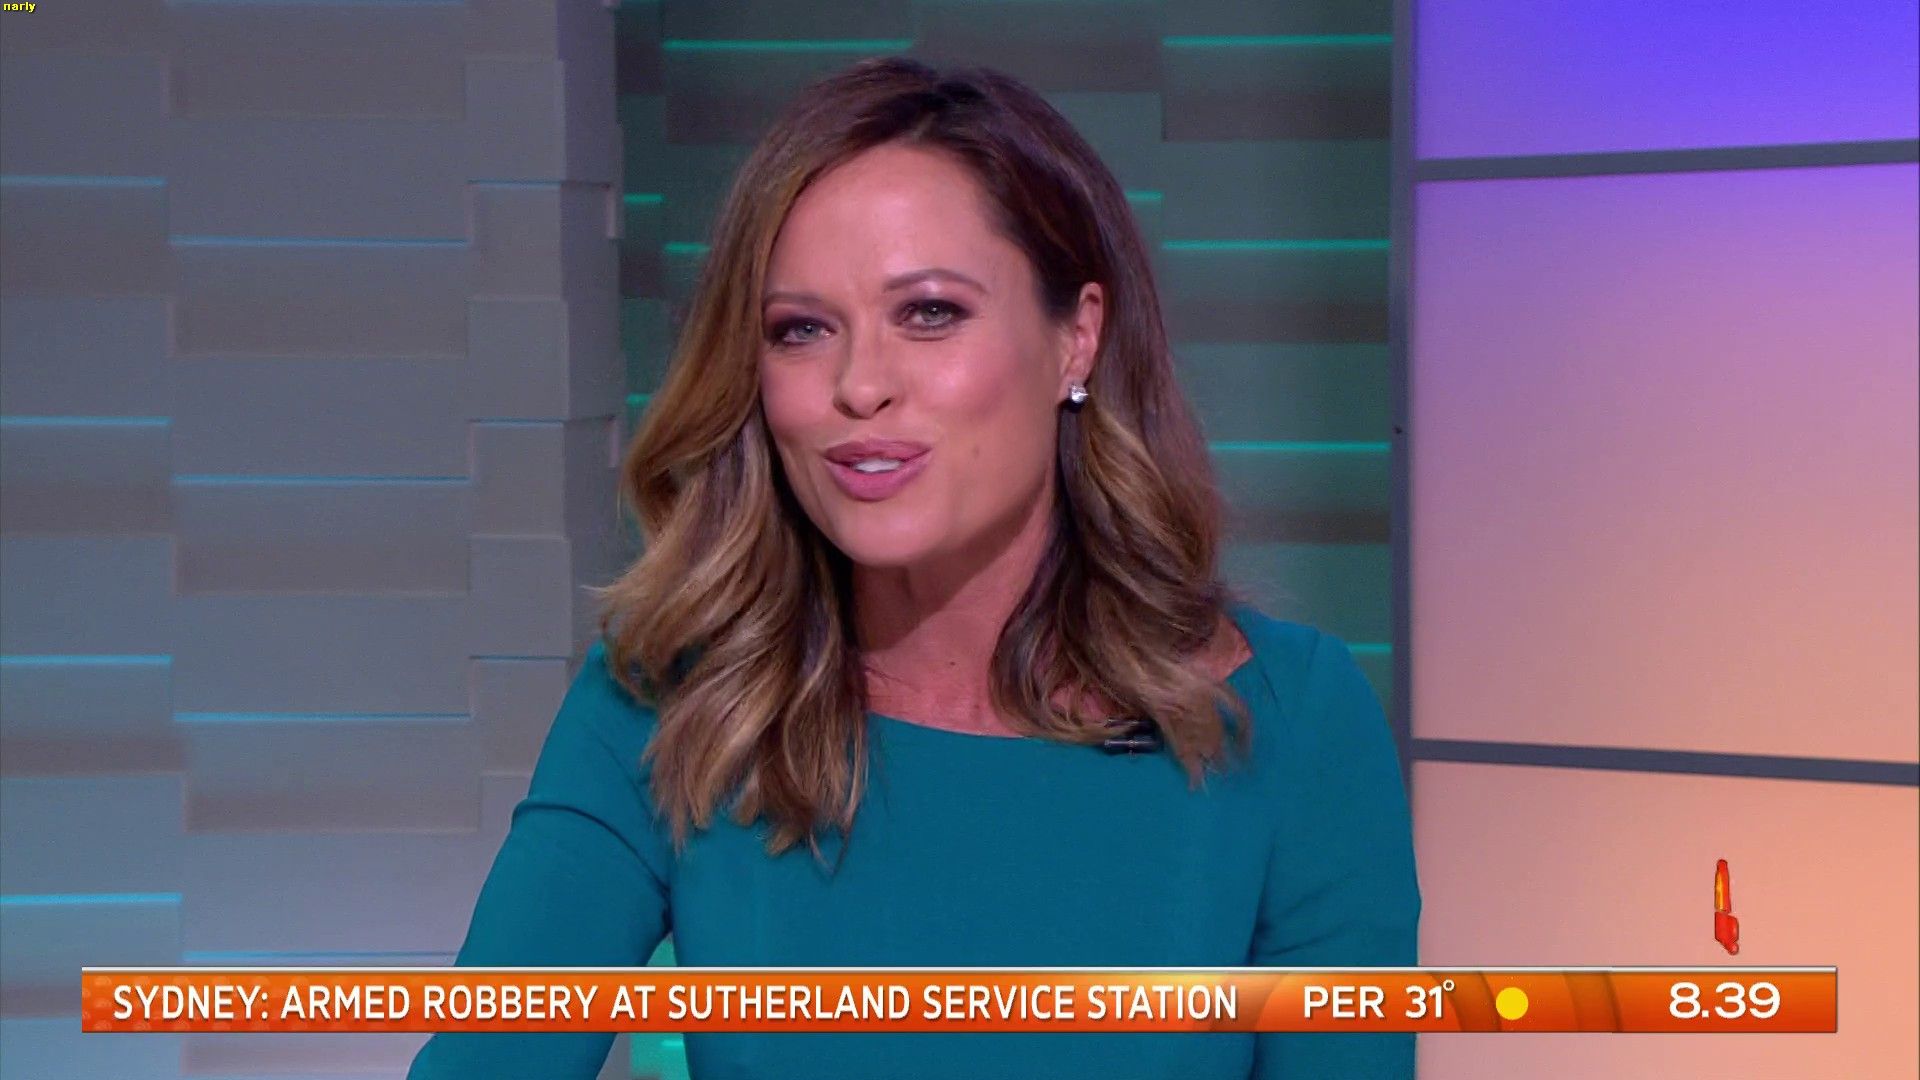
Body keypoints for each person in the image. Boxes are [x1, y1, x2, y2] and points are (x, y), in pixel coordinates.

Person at [409, 56, 1419, 1079]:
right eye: (802, 329)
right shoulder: (666, 702)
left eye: (929, 312)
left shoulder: (1294, 723)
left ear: (1077, 338)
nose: (860, 385)